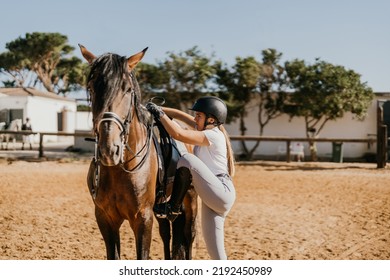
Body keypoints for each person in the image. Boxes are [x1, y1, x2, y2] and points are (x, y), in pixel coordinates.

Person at [146, 96, 236, 260]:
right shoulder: (204, 130)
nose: (195, 119)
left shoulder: (213, 135)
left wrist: (159, 115)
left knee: (187, 159)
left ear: (211, 119)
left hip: (221, 192)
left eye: (198, 116)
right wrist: (153, 109)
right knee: (216, 255)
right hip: (211, 199)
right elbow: (180, 115)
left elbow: (177, 133)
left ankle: (173, 207)